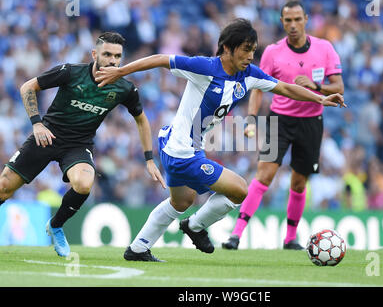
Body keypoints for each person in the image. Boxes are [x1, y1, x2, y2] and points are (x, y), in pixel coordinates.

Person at [95, 18, 346, 262]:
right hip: (181, 151)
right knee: (239, 189)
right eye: (246, 50)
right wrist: (121, 72)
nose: (250, 56)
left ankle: (138, 248)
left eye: (253, 50)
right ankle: (195, 226)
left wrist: (320, 99)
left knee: (181, 201)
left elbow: (285, 87)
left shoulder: (248, 75)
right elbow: (161, 59)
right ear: (227, 48)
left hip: (184, 148)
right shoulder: (205, 68)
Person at [0, 32, 165, 257]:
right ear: (94, 54)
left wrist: (148, 159)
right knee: (4, 187)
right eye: (107, 54)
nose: (112, 61)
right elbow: (27, 87)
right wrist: (37, 124)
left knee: (85, 183)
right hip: (47, 135)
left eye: (117, 56)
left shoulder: (125, 89)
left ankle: (56, 225)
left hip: (78, 144)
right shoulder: (70, 72)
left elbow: (142, 120)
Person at [222, 1, 345, 251]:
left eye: (297, 19)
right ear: (281, 22)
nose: (293, 25)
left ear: (306, 19)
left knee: (299, 183)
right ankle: (235, 235)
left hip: (311, 122)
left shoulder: (325, 49)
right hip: (279, 120)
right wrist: (252, 119)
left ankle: (290, 239)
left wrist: (315, 86)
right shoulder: (273, 52)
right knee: (264, 175)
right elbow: (257, 87)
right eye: (288, 20)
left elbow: (339, 88)